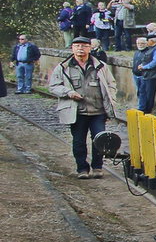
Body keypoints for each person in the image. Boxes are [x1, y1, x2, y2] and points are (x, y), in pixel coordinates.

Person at [47, 37, 117, 179]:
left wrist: (111, 101)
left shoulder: (100, 66)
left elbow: (111, 84)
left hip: (98, 111)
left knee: (99, 140)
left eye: (84, 46)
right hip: (77, 112)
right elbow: (53, 86)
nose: (80, 49)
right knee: (78, 141)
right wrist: (68, 92)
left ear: (90, 48)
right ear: (72, 48)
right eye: (77, 46)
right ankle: (82, 169)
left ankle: (97, 167)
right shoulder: (63, 67)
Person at [134, 32, 156, 113]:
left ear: (152, 41)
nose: (146, 43)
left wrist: (144, 67)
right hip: (147, 74)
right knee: (142, 92)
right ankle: (142, 108)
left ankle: (147, 110)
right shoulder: (152, 48)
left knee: (149, 94)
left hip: (153, 75)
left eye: (147, 41)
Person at [131, 36, 149, 100]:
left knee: (142, 92)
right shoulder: (137, 52)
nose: (140, 45)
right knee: (138, 91)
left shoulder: (148, 52)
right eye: (138, 43)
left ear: (146, 44)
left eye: (142, 43)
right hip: (135, 74)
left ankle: (142, 107)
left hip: (143, 75)